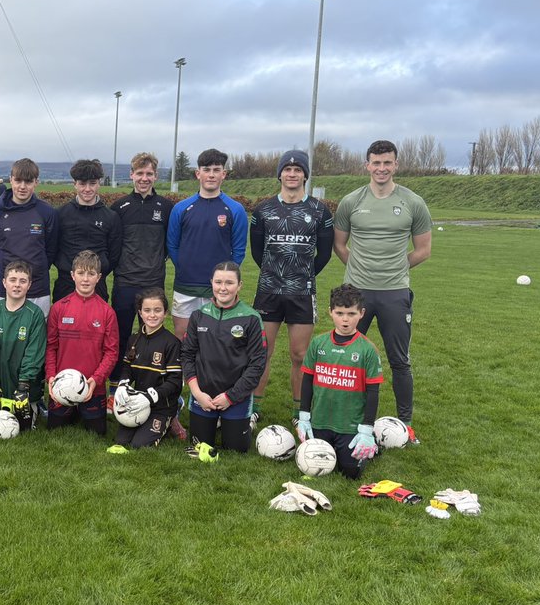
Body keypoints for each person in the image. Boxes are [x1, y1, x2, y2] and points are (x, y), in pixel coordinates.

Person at [333, 140, 432, 441]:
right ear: (367, 165)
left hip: (394, 293)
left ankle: (405, 424)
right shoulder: (351, 201)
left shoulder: (413, 202)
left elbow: (423, 250)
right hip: (356, 293)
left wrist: (394, 270)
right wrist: (361, 270)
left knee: (399, 360)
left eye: (387, 163)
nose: (382, 168)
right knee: (344, 356)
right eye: (376, 163)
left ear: (396, 165)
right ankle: (343, 418)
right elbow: (339, 244)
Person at [248, 149, 334, 424]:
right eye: (287, 169)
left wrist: (302, 275)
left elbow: (324, 254)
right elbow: (257, 250)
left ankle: (300, 414)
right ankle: (253, 409)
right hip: (269, 289)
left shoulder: (320, 211)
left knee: (299, 355)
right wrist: (276, 274)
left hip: (302, 292)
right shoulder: (263, 210)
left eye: (298, 170)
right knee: (262, 353)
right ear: (280, 174)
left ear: (305, 175)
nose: (292, 174)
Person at [296, 284, 384, 480]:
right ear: (330, 312)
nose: (345, 319)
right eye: (340, 313)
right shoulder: (318, 343)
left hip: (350, 425)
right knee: (314, 465)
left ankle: (374, 443)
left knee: (350, 472)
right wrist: (304, 416)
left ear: (362, 313)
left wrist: (367, 428)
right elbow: (307, 379)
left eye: (351, 313)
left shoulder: (367, 350)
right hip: (320, 421)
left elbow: (373, 392)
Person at [180, 262, 267, 461]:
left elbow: (257, 364)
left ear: (240, 285)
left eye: (229, 282)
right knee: (199, 445)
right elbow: (187, 355)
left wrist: (230, 397)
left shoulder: (251, 318)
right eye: (218, 282)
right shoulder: (198, 315)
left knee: (236, 450)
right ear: (211, 283)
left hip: (236, 396)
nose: (223, 288)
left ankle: (241, 420)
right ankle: (212, 418)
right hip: (203, 396)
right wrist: (196, 392)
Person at [166, 149, 249, 339]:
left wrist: (224, 279)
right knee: (182, 336)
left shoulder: (235, 209)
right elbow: (172, 245)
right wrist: (186, 267)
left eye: (216, 170)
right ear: (198, 173)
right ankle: (185, 371)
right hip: (186, 284)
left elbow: (238, 251)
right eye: (206, 169)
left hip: (219, 287)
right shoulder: (181, 208)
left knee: (215, 338)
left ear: (223, 174)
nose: (211, 174)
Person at [109, 152, 173, 375]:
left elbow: (169, 244)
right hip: (125, 283)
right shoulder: (119, 207)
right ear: (131, 175)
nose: (144, 178)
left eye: (149, 174)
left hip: (153, 283)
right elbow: (114, 245)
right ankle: (117, 385)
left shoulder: (166, 207)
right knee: (121, 335)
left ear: (155, 176)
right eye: (140, 173)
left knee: (152, 335)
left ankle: (150, 382)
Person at [45, 250, 120, 437]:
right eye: (81, 273)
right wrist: (51, 377)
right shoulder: (58, 308)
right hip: (62, 384)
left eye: (91, 274)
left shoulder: (107, 312)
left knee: (97, 433)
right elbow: (51, 347)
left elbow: (111, 352)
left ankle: (83, 409)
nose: (85, 279)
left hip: (92, 387)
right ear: (72, 275)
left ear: (99, 278)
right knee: (55, 430)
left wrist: (96, 379)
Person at [107, 288, 183, 454]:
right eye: (147, 310)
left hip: (161, 406)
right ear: (140, 313)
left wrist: (151, 396)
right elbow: (127, 368)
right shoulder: (134, 339)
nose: (152, 315)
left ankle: (170, 421)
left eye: (157, 310)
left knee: (139, 445)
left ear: (165, 313)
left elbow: (175, 382)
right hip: (137, 403)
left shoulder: (172, 343)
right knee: (121, 441)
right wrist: (123, 384)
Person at [0, 260, 48, 429]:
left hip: (24, 387)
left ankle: (34, 403)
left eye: (22, 281)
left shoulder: (35, 314)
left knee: (23, 428)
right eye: (12, 280)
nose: (17, 285)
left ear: (29, 285)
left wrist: (24, 386)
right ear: (4, 283)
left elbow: (34, 353)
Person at [0, 158, 59, 316]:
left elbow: (51, 250)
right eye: (18, 180)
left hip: (38, 287)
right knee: (6, 336)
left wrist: (37, 269)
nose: (22, 186)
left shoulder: (47, 212)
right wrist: (7, 277)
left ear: (36, 182)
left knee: (37, 335)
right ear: (10, 179)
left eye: (28, 181)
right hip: (7, 288)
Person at [52, 159, 121, 302]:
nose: (87, 189)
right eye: (82, 184)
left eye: (92, 183)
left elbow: (114, 255)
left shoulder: (111, 217)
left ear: (99, 183)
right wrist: (66, 268)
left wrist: (96, 272)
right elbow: (52, 248)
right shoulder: (60, 214)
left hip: (97, 285)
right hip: (65, 283)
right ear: (74, 184)